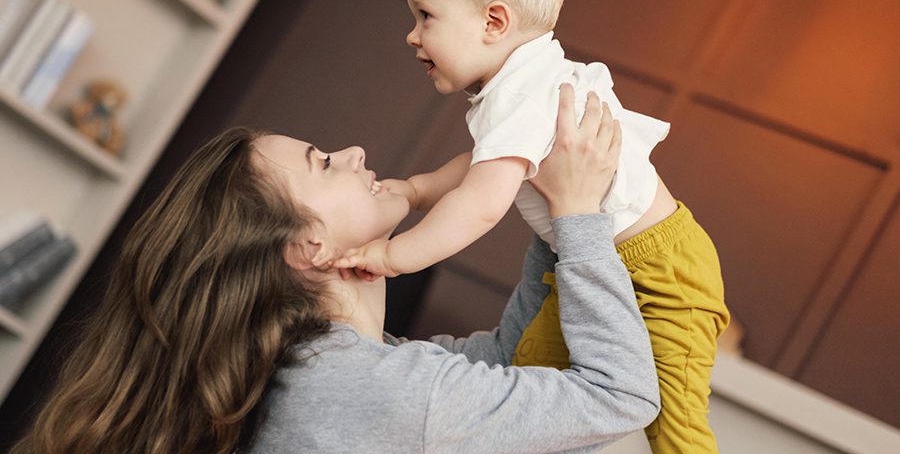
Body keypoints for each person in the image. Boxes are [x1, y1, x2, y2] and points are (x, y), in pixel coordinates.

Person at [13, 86, 659, 454]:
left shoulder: (340, 374)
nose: (353, 154)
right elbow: (621, 397)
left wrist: (555, 223)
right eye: (323, 163)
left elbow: (504, 364)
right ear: (309, 248)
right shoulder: (376, 390)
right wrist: (577, 215)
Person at [318, 0, 730, 453]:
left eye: (426, 15)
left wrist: (396, 257)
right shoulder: (522, 84)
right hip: (601, 259)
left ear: (493, 22)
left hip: (663, 270)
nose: (412, 35)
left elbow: (483, 204)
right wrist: (418, 190)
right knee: (531, 369)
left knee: (675, 428)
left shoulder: (523, 92)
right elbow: (485, 164)